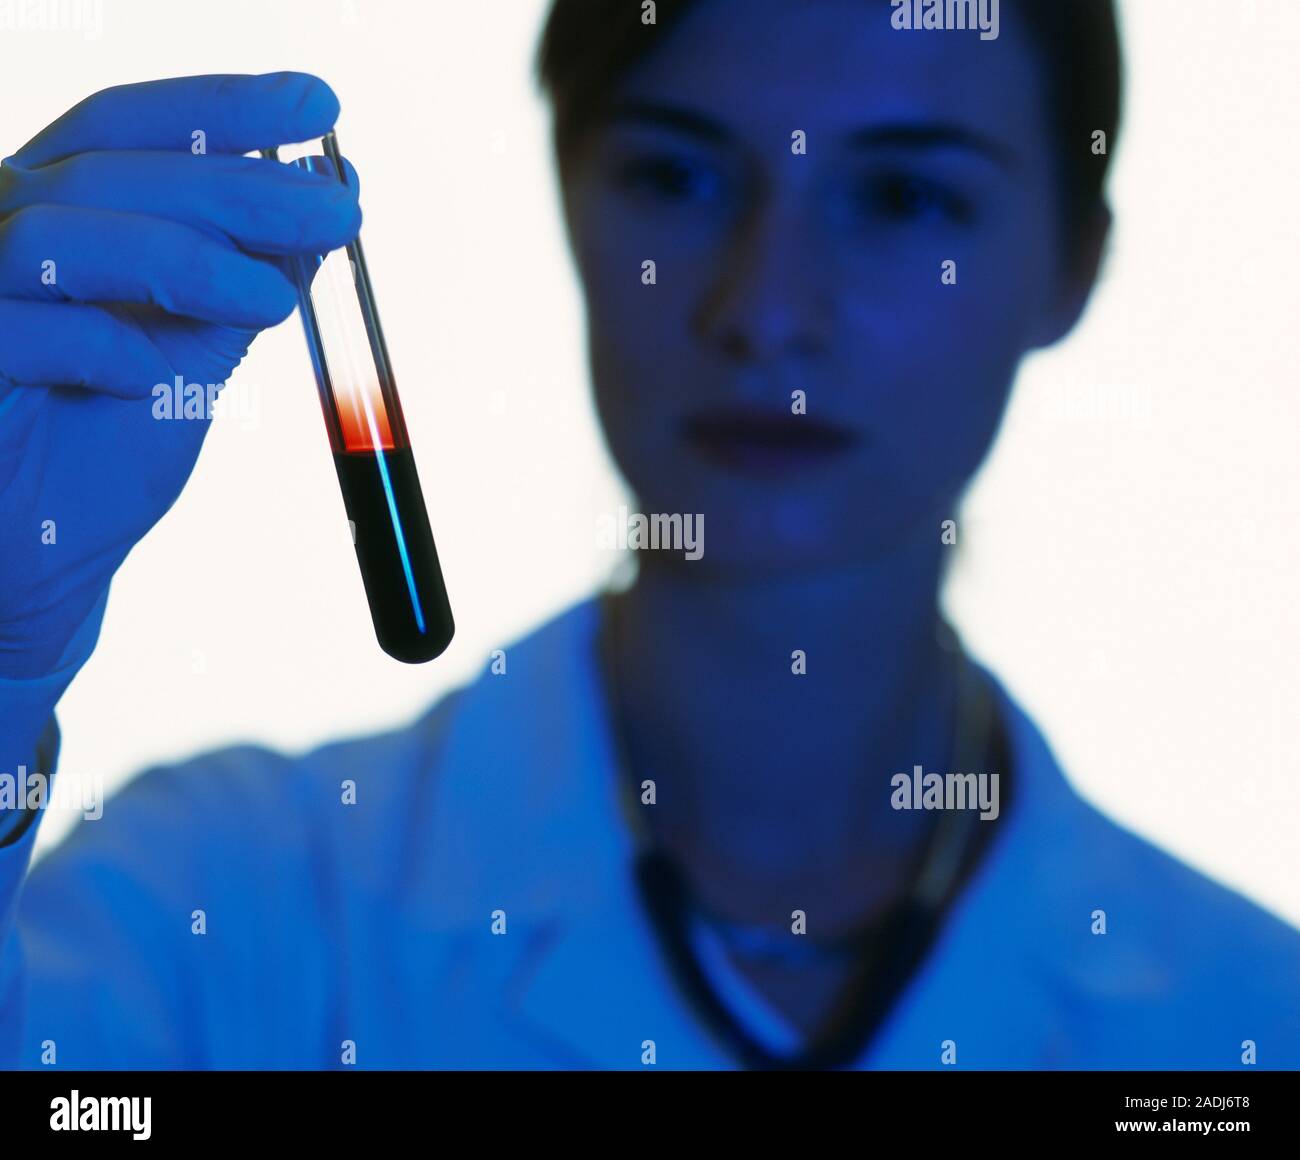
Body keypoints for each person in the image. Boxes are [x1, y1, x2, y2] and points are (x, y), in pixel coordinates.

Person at [1, 0, 1298, 1070]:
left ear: (1075, 266)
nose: (767, 310)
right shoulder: (226, 914)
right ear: (571, 194)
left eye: (904, 198)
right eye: (677, 175)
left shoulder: (1245, 1029)